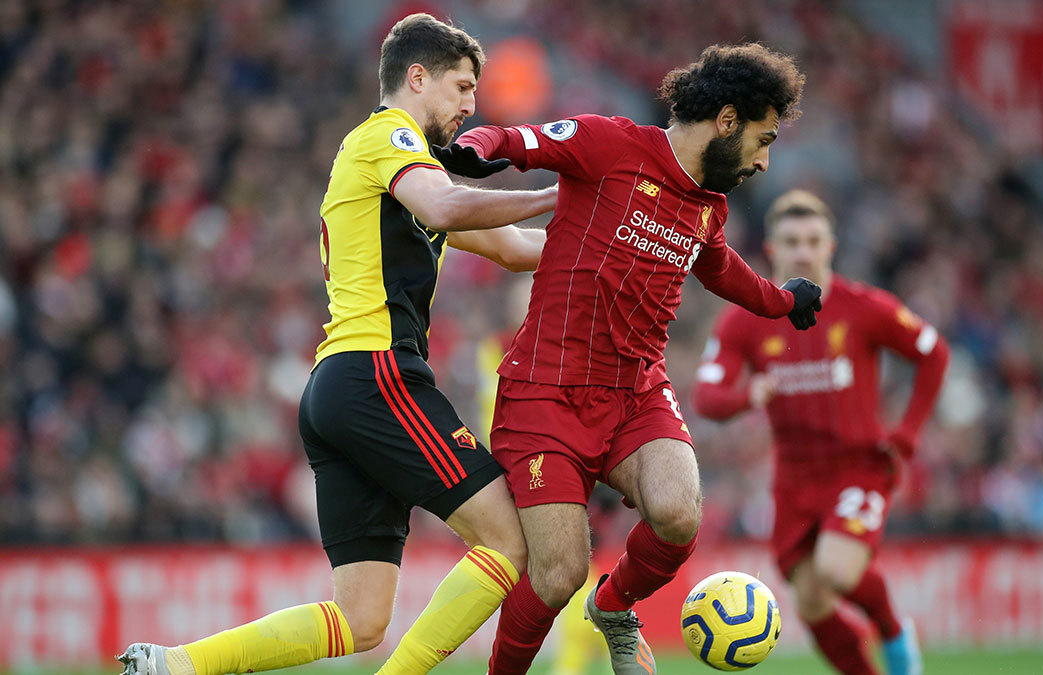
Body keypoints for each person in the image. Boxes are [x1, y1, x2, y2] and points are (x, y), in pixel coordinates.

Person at [118, 13, 556, 675]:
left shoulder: (409, 171)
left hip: (341, 389)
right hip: (379, 373)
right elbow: (447, 208)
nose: (473, 104)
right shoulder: (388, 136)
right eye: (463, 85)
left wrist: (617, 239)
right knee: (509, 538)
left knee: (360, 620)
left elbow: (519, 249)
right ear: (417, 77)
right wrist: (556, 191)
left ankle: (176, 664)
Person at [435, 43, 822, 674]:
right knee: (558, 574)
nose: (764, 160)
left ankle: (613, 606)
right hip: (545, 395)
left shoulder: (707, 206)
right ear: (727, 121)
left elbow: (721, 270)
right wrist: (476, 151)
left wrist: (782, 302)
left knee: (677, 514)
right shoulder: (608, 144)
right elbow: (516, 137)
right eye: (763, 138)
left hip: (636, 392)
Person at [692, 190, 949, 675]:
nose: (803, 251)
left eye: (813, 240)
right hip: (793, 479)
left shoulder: (865, 308)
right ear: (771, 249)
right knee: (810, 603)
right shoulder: (745, 320)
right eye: (792, 241)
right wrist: (749, 395)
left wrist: (908, 434)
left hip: (858, 466)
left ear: (831, 246)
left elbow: (933, 354)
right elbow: (707, 397)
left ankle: (894, 631)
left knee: (835, 568)